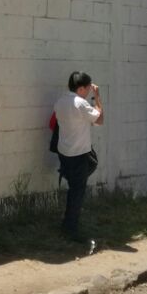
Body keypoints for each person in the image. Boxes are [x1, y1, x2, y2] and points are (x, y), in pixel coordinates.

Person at [53, 72, 104, 243]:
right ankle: (70, 227)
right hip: (79, 153)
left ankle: (69, 223)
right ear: (81, 88)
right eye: (89, 88)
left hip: (64, 151)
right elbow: (100, 119)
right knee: (77, 191)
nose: (90, 91)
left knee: (75, 185)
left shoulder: (60, 101)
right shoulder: (80, 103)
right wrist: (97, 98)